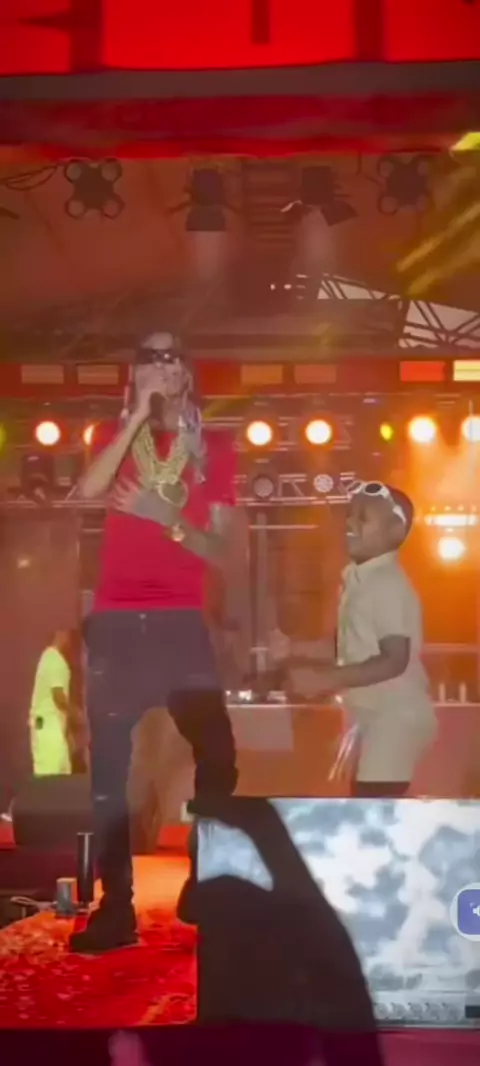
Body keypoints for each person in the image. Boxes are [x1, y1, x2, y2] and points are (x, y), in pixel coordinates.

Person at [69, 333, 248, 954]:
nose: (161, 365)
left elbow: (224, 552)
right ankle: (115, 908)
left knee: (218, 755)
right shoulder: (112, 438)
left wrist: (166, 518)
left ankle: (206, 877)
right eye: (149, 357)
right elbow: (87, 492)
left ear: (188, 375)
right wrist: (136, 417)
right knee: (108, 771)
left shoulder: (214, 450)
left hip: (178, 622)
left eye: (172, 357)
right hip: (118, 623)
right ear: (135, 373)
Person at [270, 481, 436, 798]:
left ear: (395, 531)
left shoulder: (386, 583)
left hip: (394, 716)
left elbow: (394, 660)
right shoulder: (361, 580)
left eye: (363, 517)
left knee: (375, 803)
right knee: (371, 803)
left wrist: (326, 679)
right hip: (371, 715)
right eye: (350, 514)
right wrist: (294, 648)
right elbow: (348, 646)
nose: (350, 523)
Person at [29, 630, 75, 777]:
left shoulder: (49, 658)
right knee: (50, 777)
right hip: (48, 728)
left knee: (60, 775)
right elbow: (58, 697)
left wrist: (66, 732)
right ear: (61, 635)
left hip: (51, 728)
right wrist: (78, 715)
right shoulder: (54, 659)